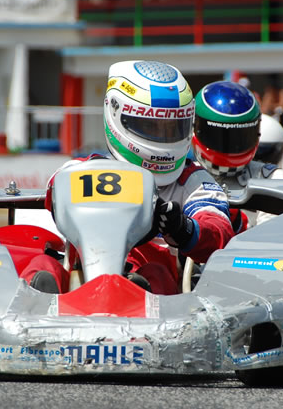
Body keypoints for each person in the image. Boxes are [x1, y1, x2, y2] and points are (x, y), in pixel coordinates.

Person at [23, 60, 234, 295]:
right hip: (83, 283)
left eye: (171, 128)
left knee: (157, 274)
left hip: (153, 289)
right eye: (150, 126)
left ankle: (134, 297)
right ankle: (33, 307)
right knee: (42, 265)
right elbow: (54, 189)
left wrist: (183, 228)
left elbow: (219, 232)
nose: (162, 138)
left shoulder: (192, 180)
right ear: (117, 114)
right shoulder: (83, 170)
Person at [191, 80, 283, 232]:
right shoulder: (182, 176)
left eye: (239, 138)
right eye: (219, 137)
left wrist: (239, 226)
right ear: (195, 128)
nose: (230, 147)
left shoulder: (272, 179)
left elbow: (272, 240)